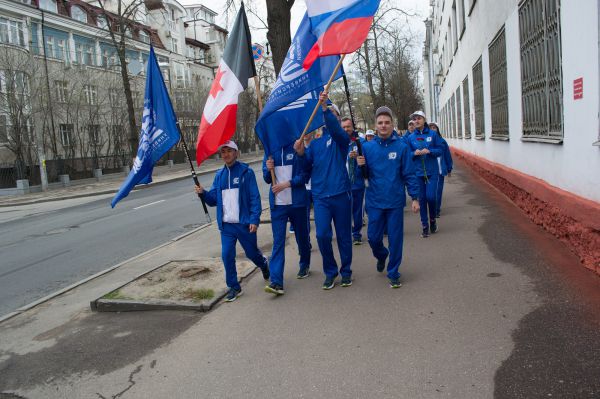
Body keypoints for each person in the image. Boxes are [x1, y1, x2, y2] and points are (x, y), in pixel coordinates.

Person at [194, 140, 269, 302]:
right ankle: (234, 286)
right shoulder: (219, 175)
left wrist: (254, 220)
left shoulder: (245, 173)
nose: (226, 154)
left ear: (236, 153)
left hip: (244, 224)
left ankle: (263, 264)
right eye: (223, 152)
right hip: (227, 225)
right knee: (227, 255)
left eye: (229, 151)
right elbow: (214, 200)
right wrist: (203, 193)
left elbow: (254, 198)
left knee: (252, 254)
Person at [294, 92, 353, 290]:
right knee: (322, 236)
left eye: (333, 114)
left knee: (344, 236)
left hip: (340, 194)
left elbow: (336, 130)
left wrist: (326, 109)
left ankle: (346, 272)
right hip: (321, 198)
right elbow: (306, 168)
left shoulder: (341, 139)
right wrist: (301, 153)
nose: (329, 117)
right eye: (327, 114)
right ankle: (330, 271)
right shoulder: (316, 144)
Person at [357, 106, 420, 288]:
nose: (383, 126)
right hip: (375, 201)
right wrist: (360, 165)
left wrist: (414, 197)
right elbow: (364, 176)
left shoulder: (401, 147)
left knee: (395, 239)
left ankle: (393, 272)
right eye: (380, 123)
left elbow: (409, 173)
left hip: (394, 201)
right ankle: (382, 255)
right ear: (375, 126)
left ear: (392, 124)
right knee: (373, 238)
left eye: (387, 122)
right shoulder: (367, 148)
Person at [262, 143, 312, 296]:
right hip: (278, 205)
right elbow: (266, 178)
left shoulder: (297, 147)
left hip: (297, 202)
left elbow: (305, 175)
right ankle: (276, 281)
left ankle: (304, 263)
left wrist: (286, 184)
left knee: (302, 237)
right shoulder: (270, 151)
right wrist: (268, 167)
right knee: (278, 242)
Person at [405, 111, 443, 238]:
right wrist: (414, 154)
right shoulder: (410, 137)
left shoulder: (432, 134)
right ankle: (425, 226)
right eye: (414, 119)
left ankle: (432, 220)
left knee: (431, 197)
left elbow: (440, 150)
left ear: (424, 119)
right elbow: (407, 155)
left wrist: (430, 151)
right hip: (418, 173)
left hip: (432, 172)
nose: (416, 121)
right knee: (421, 199)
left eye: (419, 118)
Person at [341, 116, 366, 245]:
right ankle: (347, 232)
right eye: (343, 127)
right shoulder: (338, 143)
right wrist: (346, 157)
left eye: (348, 127)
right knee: (345, 211)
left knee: (357, 210)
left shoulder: (360, 142)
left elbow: (367, 160)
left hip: (357, 183)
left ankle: (356, 233)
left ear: (352, 127)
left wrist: (359, 159)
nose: (346, 129)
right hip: (343, 184)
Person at [428, 122, 453, 218]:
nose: (432, 129)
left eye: (434, 127)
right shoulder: (426, 142)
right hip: (429, 171)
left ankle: (436, 210)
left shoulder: (442, 141)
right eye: (430, 128)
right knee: (430, 194)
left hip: (439, 171)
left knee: (438, 191)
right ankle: (432, 209)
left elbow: (447, 155)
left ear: (437, 129)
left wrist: (449, 168)